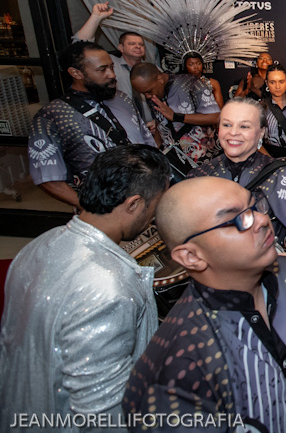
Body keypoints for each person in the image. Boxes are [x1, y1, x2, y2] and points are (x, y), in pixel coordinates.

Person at [122, 176, 286, 433]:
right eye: (237, 219)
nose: (262, 220)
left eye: (255, 206)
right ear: (191, 256)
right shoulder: (173, 372)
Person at [0, 145, 170, 429]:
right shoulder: (111, 289)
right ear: (133, 204)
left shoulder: (40, 244)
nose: (155, 215)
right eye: (156, 205)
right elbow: (103, 411)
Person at [189, 96, 286, 259]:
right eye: (226, 124)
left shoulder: (278, 174)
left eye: (244, 126)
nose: (233, 132)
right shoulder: (199, 176)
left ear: (261, 132)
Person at [29, 41, 156, 209]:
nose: (112, 74)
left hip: (147, 202)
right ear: (76, 73)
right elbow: (48, 179)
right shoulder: (53, 116)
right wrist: (93, 210)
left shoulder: (122, 98)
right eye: (102, 70)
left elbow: (149, 145)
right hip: (103, 211)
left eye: (112, 67)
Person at [131, 62, 221, 164]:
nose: (147, 96)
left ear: (160, 79)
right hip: (176, 160)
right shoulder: (153, 96)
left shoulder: (191, 83)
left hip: (207, 159)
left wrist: (176, 116)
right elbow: (159, 125)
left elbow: (216, 117)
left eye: (149, 91)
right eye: (143, 93)